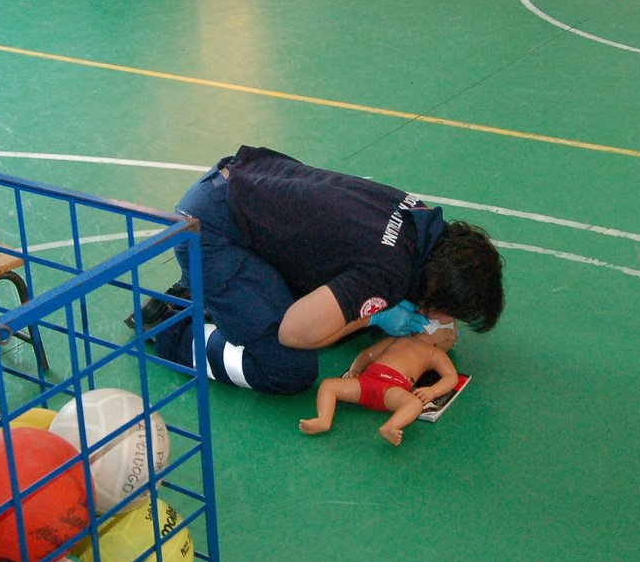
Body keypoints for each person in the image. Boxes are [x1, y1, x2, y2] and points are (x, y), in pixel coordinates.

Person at [136, 146, 504, 396]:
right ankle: (172, 327)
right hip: (210, 231)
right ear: (436, 289)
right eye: (447, 310)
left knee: (334, 315)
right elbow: (294, 331)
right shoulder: (387, 272)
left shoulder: (422, 220)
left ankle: (212, 292)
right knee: (287, 368)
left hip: (245, 185)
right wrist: (372, 316)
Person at [299, 319, 460, 445]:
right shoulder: (397, 339)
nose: (430, 321)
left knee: (414, 404)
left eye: (440, 324)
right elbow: (367, 354)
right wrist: (355, 370)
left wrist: (432, 391)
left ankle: (392, 426)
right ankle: (323, 419)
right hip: (365, 382)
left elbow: (451, 377)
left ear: (449, 338)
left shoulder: (434, 353)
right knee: (328, 384)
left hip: (392, 388)